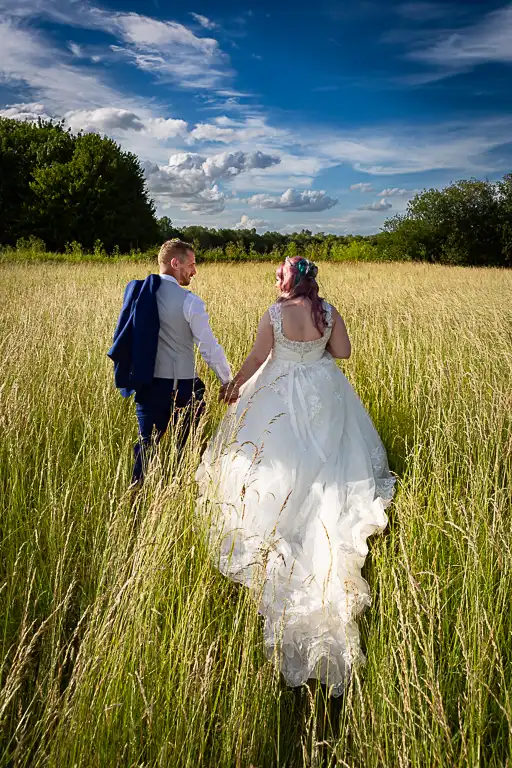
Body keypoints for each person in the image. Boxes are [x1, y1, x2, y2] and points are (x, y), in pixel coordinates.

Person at [196, 255, 395, 696]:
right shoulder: (328, 312)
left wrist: (234, 387)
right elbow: (342, 352)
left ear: (292, 278)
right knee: (326, 464)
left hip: (279, 392)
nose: (275, 276)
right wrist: (317, 346)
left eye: (280, 271)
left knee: (276, 465)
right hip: (324, 390)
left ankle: (277, 530)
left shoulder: (275, 312)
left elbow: (258, 356)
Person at [108, 239, 231, 484]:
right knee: (190, 448)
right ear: (175, 263)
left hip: (146, 385)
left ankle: (136, 504)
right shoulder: (190, 301)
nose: (194, 271)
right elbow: (208, 348)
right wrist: (228, 379)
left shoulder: (137, 293)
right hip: (181, 389)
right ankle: (185, 494)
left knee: (146, 447)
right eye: (191, 265)